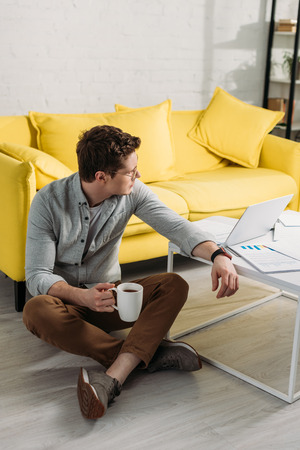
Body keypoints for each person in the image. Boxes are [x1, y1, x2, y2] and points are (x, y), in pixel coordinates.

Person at [23, 125, 239, 420]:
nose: (137, 176)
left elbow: (177, 227)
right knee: (35, 310)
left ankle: (112, 376)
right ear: (102, 176)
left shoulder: (133, 193)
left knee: (174, 284)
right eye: (130, 171)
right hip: (65, 302)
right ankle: (141, 356)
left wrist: (218, 255)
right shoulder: (48, 202)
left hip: (112, 298)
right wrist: (82, 297)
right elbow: (37, 275)